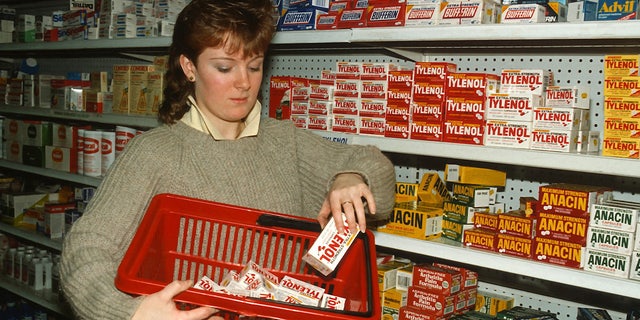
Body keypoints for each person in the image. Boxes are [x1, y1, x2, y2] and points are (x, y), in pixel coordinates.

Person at [59, 0, 396, 319]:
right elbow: (86, 249)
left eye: (254, 66)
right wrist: (128, 312)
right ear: (189, 67)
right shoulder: (154, 153)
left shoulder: (284, 141)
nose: (244, 83)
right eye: (224, 67)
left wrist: (350, 177)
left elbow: (374, 173)